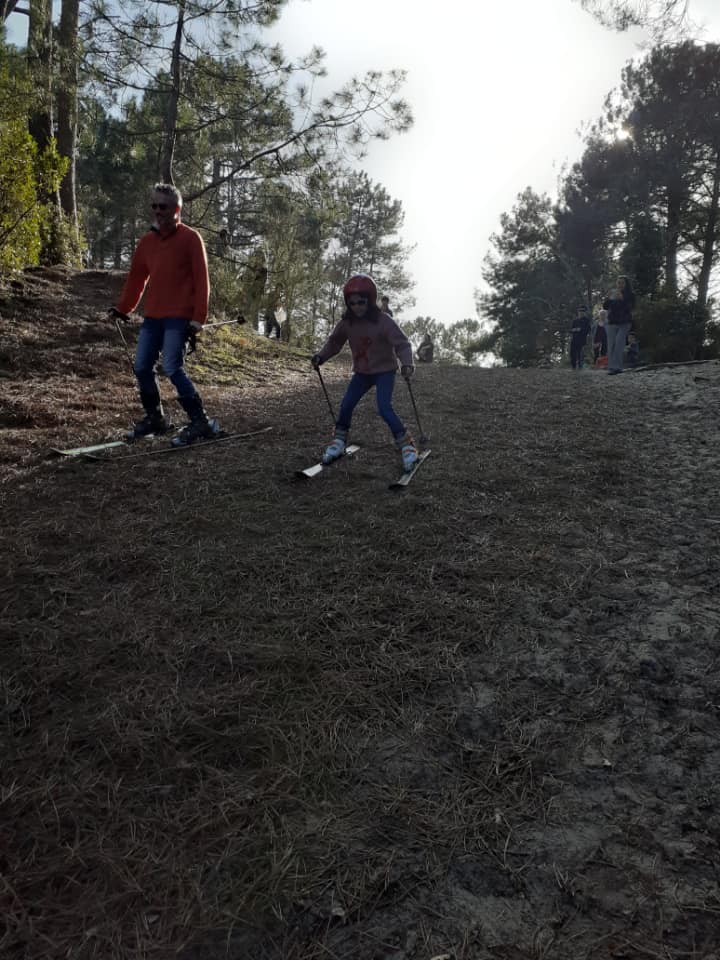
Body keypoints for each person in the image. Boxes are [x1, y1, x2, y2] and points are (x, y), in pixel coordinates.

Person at [112, 182, 220, 446]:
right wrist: (122, 309)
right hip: (153, 317)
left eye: (163, 206)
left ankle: (200, 421)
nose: (158, 211)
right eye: (154, 206)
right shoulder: (147, 242)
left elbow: (202, 280)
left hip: (179, 317)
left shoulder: (191, 238)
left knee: (172, 366)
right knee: (141, 367)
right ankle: (155, 418)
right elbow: (137, 279)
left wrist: (199, 317)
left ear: (177, 209)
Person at [311, 274, 418, 471]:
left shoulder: (383, 320)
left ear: (370, 300)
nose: (357, 306)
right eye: (352, 303)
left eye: (361, 302)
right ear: (348, 303)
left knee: (384, 407)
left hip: (385, 371)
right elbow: (334, 342)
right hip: (362, 372)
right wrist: (321, 357)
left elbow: (402, 343)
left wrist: (407, 364)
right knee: (346, 404)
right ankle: (339, 441)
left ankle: (407, 445)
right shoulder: (347, 323)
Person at [603, 276, 636, 375]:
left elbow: (631, 307)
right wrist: (608, 298)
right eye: (618, 283)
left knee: (619, 343)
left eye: (622, 283)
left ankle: (617, 367)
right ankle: (612, 367)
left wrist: (622, 299)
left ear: (626, 284)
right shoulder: (614, 294)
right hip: (612, 322)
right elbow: (605, 307)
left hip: (624, 322)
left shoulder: (630, 295)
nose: (619, 285)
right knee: (611, 345)